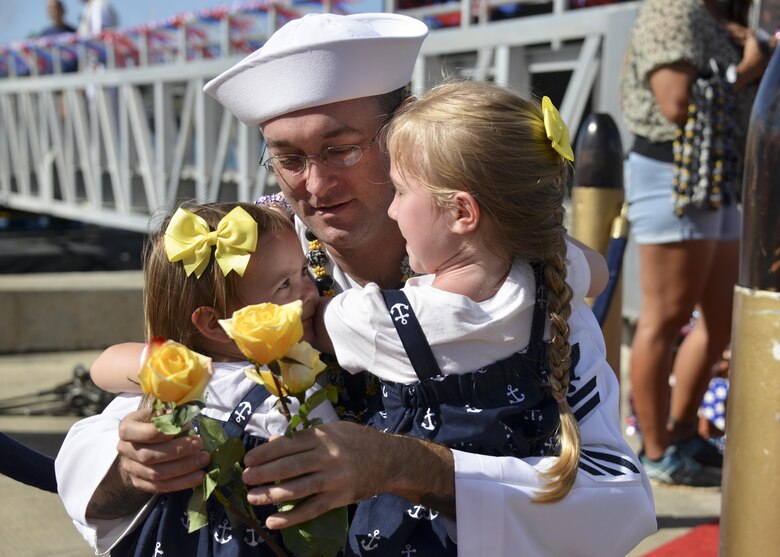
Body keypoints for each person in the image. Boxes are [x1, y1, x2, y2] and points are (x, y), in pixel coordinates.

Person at [57, 12, 656, 557]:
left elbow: (616, 501)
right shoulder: (258, 265)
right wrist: (134, 468)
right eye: (288, 160)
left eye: (339, 149)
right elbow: (106, 454)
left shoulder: (510, 286)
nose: (314, 186)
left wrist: (406, 466)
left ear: (405, 143)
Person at [309, 81, 614, 555]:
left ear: (461, 211)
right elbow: (598, 270)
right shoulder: (548, 278)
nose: (391, 210)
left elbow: (304, 324)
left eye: (400, 191)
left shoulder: (379, 320)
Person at [57, 201, 338, 555]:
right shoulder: (285, 390)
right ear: (212, 323)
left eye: (303, 272)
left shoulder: (173, 383)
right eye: (284, 285)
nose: (310, 292)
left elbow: (104, 368)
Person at [620, 0, 769, 486]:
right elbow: (675, 103)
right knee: (665, 316)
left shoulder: (709, 14)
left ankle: (683, 432)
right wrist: (745, 70)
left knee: (720, 319)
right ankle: (657, 449)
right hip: (674, 177)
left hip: (715, 179)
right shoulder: (674, 8)